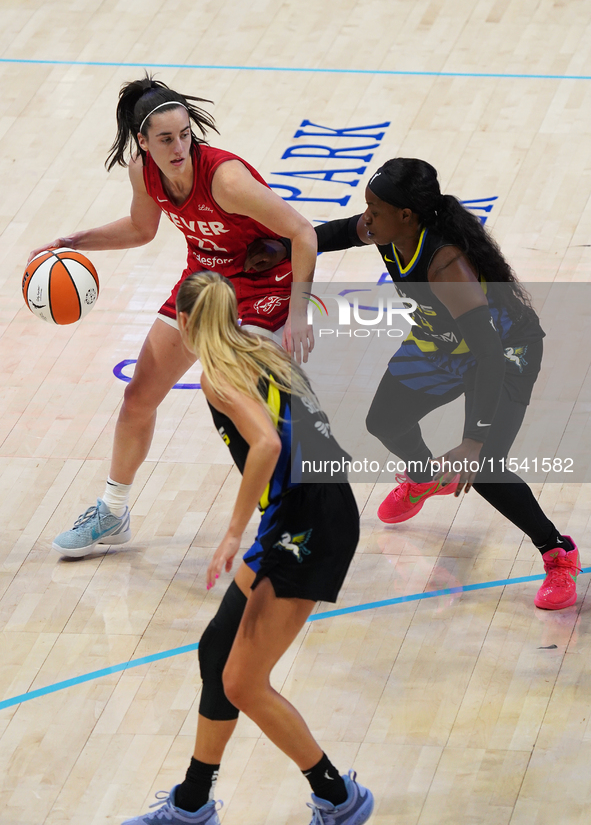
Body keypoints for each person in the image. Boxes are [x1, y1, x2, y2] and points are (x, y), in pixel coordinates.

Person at [121, 271, 373, 825]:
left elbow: (266, 442)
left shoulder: (219, 375)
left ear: (183, 322)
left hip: (307, 527)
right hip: (308, 511)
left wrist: (234, 530)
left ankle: (339, 797)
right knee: (217, 651)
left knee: (242, 681)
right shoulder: (258, 344)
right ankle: (192, 802)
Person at [29, 75, 317, 558]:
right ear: (143, 142)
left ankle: (292, 515)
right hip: (203, 283)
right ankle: (112, 511)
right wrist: (75, 241)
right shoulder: (144, 170)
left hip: (262, 287)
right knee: (139, 395)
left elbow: (303, 232)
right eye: (165, 139)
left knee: (240, 400)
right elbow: (142, 229)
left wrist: (302, 312)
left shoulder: (225, 179)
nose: (179, 146)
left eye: (185, 134)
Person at [310, 158, 580, 612]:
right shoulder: (386, 229)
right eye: (366, 207)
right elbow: (329, 235)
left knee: (487, 466)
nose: (366, 219)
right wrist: (279, 246)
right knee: (385, 422)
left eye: (374, 209)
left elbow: (489, 355)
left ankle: (558, 553)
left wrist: (473, 441)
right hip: (440, 340)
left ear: (407, 217)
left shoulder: (445, 264)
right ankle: (425, 476)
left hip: (501, 351)